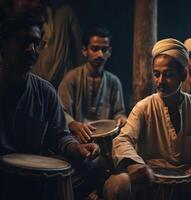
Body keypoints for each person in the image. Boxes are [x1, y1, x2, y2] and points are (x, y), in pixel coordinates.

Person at [103, 38, 191, 200]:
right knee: (118, 183)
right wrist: (135, 165)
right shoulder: (144, 107)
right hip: (150, 178)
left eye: (168, 75)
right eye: (156, 74)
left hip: (189, 180)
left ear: (183, 74)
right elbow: (122, 140)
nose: (160, 81)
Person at [0, 16, 100, 199]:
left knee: (93, 166)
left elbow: (60, 137)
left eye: (37, 43)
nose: (31, 49)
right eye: (24, 41)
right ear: (3, 45)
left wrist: (78, 148)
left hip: (34, 175)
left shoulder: (45, 92)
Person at [58, 27, 127, 144]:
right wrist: (73, 124)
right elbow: (61, 112)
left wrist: (121, 119)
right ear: (85, 50)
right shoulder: (71, 78)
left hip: (106, 140)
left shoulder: (114, 81)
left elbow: (119, 112)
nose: (100, 54)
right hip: (77, 137)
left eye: (104, 49)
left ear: (109, 51)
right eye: (94, 49)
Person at [0, 0, 84, 88]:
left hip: (60, 89)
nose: (25, 3)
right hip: (23, 86)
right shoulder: (9, 27)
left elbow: (79, 56)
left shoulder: (63, 15)